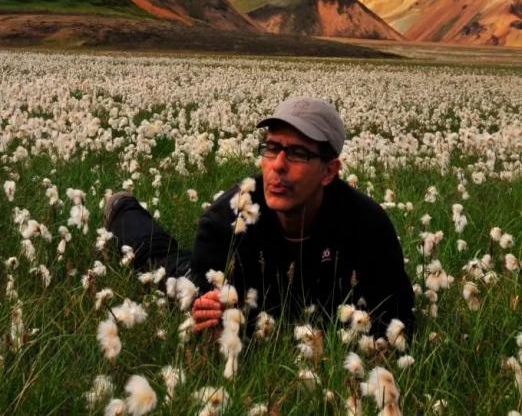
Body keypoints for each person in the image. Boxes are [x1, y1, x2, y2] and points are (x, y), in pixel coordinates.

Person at [105, 97, 414, 338]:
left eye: (297, 153)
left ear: (329, 171)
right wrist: (206, 312)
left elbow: (397, 317)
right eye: (272, 148)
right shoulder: (226, 218)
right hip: (239, 285)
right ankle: (122, 211)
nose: (278, 165)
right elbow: (207, 304)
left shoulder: (367, 225)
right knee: (164, 266)